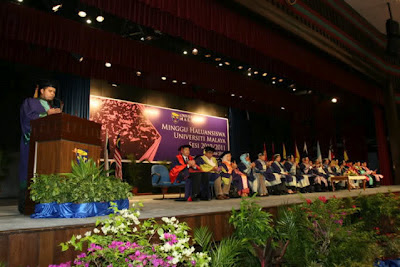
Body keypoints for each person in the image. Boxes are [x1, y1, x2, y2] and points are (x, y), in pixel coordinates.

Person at [18, 80, 61, 213]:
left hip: (48, 147)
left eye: (54, 92)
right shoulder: (31, 102)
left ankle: (46, 205)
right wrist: (46, 115)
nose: (52, 94)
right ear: (41, 90)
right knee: (29, 171)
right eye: (50, 91)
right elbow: (27, 119)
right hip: (32, 143)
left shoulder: (51, 106)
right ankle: (27, 205)